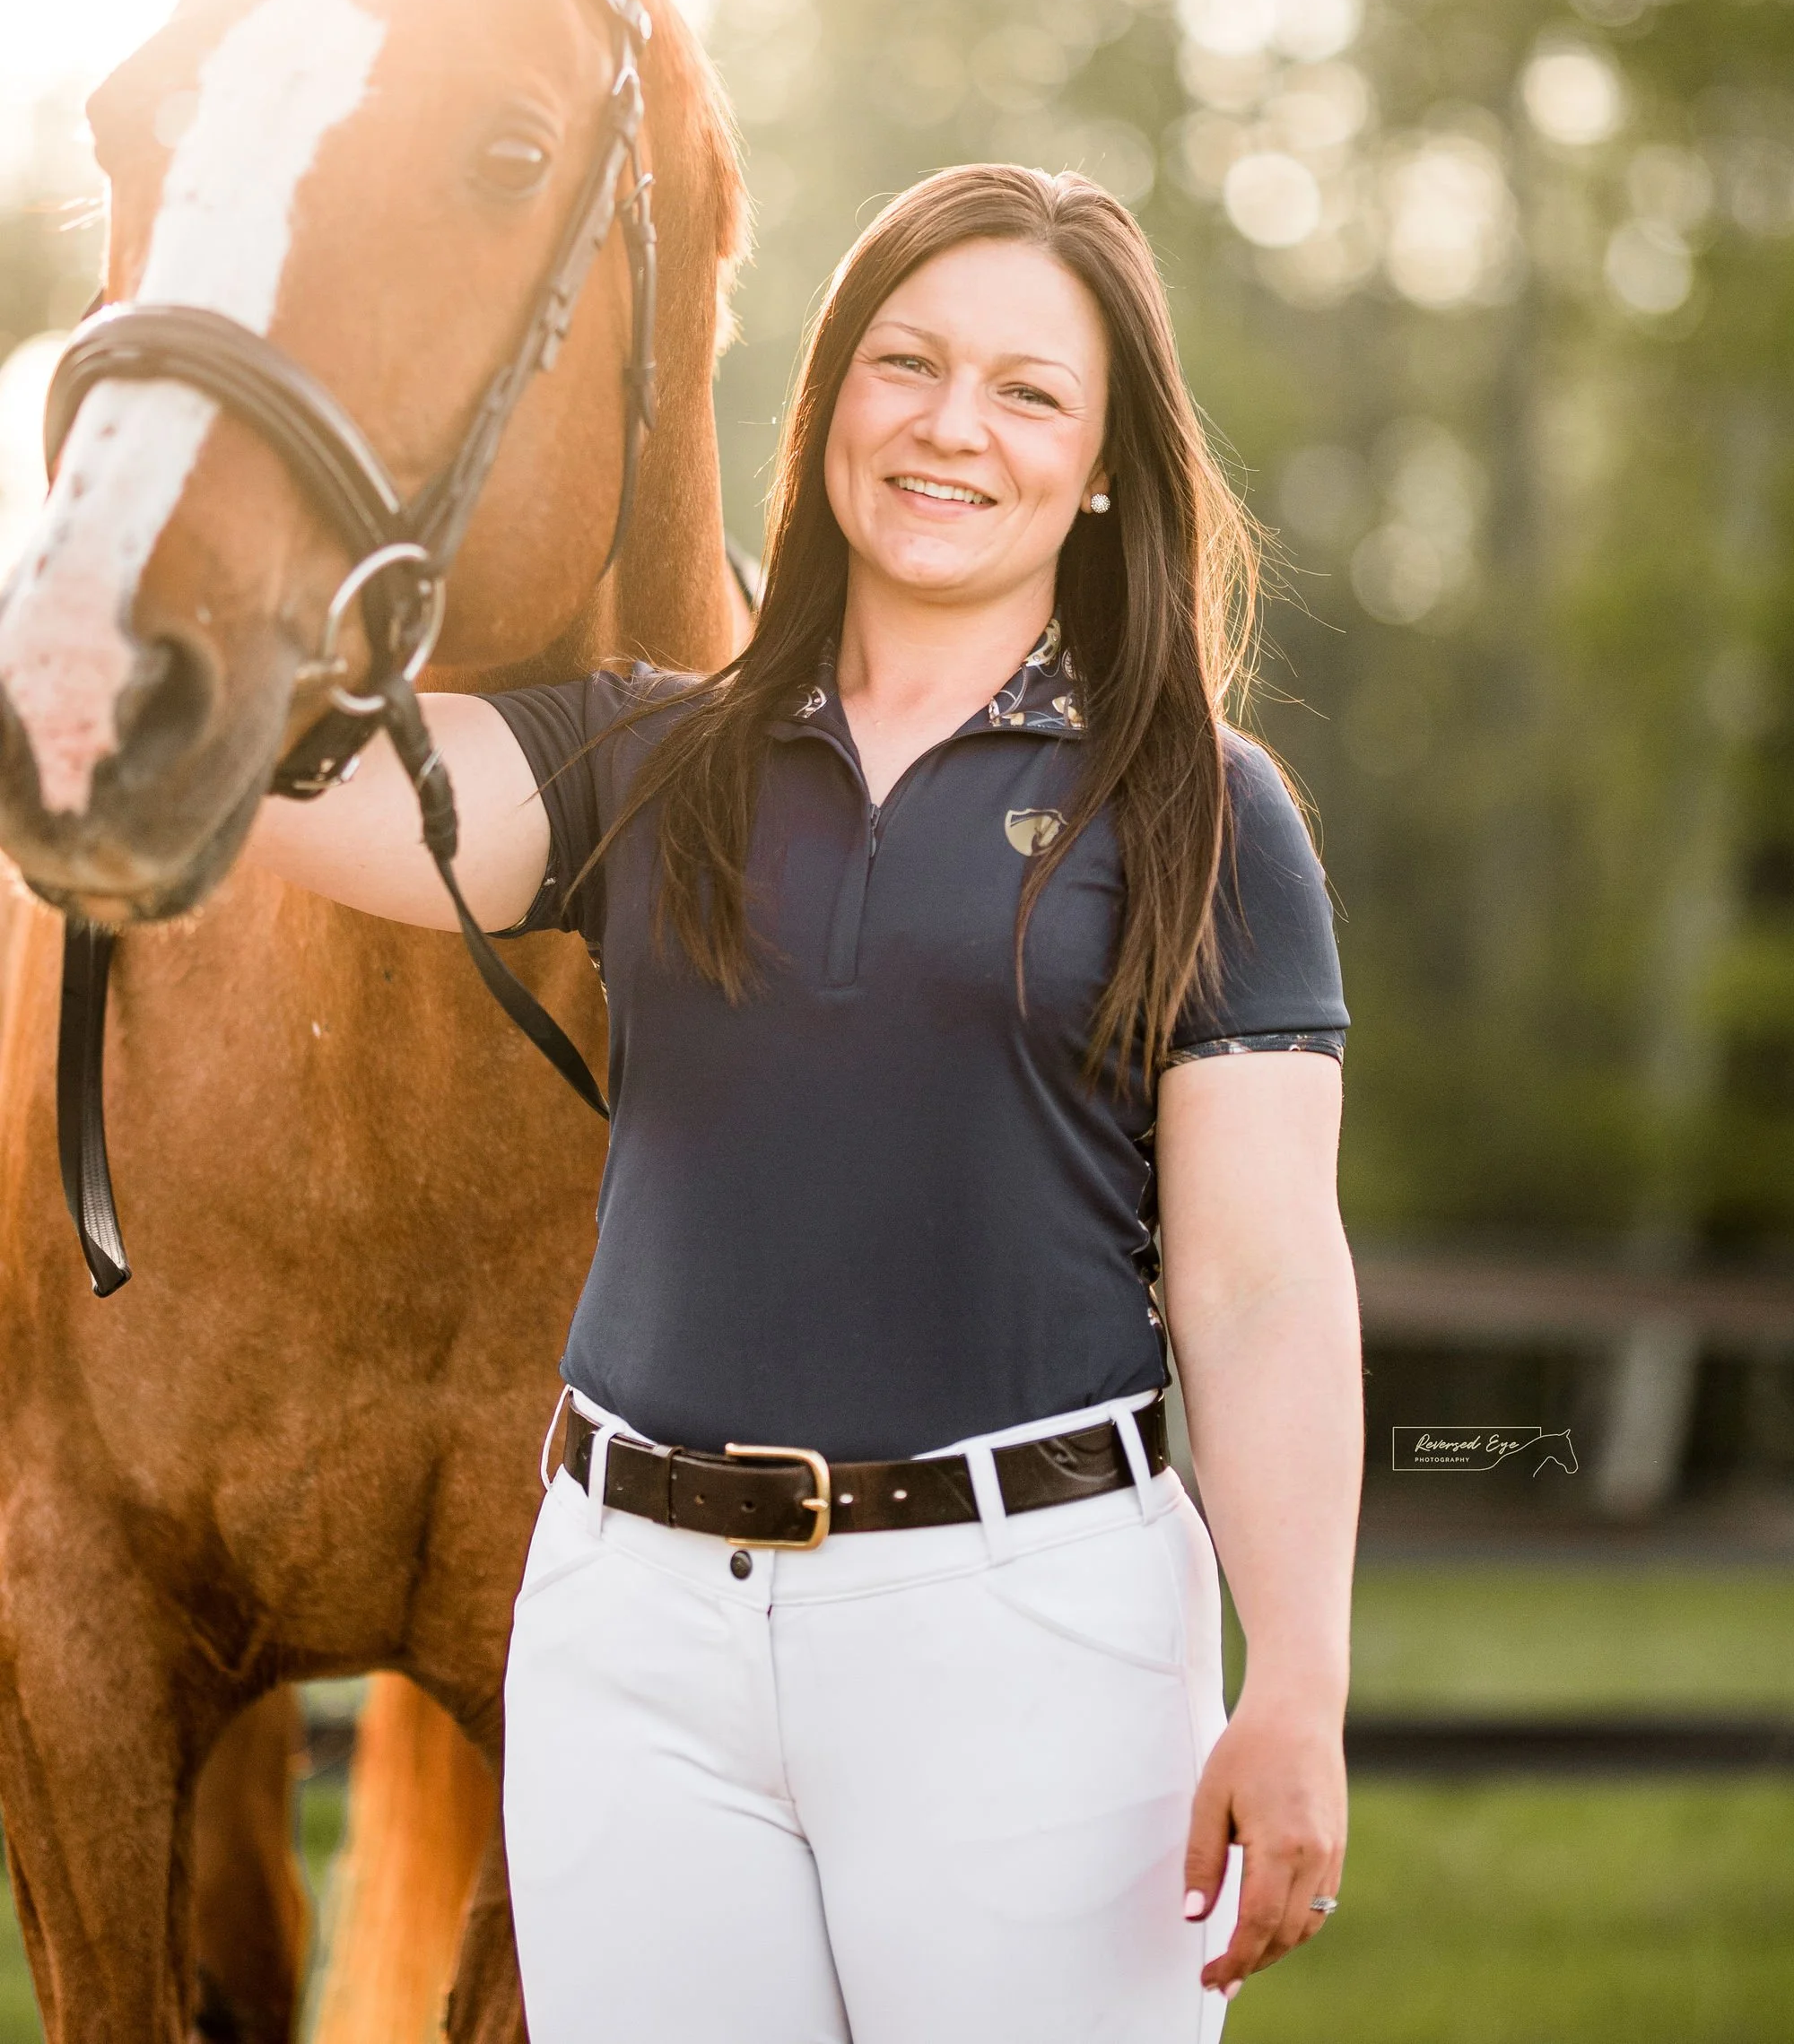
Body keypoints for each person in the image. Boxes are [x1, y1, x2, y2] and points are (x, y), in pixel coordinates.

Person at [252, 162, 1362, 2043]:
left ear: (1102, 465)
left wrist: (1300, 1685)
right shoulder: (644, 756)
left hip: (1028, 1637)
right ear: (830, 392)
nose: (951, 425)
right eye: (905, 363)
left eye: (1028, 391)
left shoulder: (1198, 803)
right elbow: (256, 777)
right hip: (631, 1634)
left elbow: (1258, 1291)